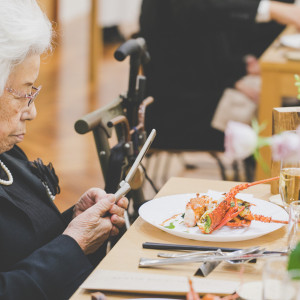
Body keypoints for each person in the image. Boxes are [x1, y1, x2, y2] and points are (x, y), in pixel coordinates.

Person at [0, 1, 128, 299]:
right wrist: (74, 243)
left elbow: (28, 245)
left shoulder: (9, 156)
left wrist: (77, 223)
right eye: (23, 93)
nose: (32, 113)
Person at [138, 0, 300, 151]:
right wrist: (269, 8)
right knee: (283, 116)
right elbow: (200, 11)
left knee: (289, 102)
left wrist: (241, 65)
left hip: (209, 85)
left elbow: (203, 42)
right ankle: (269, 177)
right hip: (181, 111)